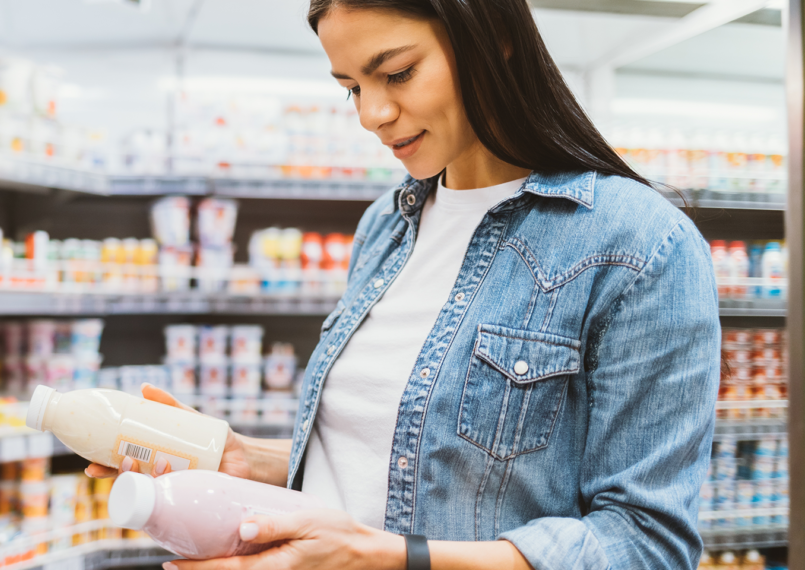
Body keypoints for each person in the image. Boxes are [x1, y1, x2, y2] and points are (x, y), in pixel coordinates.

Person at [88, 0, 720, 568]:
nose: (372, 114)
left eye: (396, 73)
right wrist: (248, 460)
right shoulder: (385, 226)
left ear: (493, 36)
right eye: (351, 88)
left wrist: (392, 559)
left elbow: (646, 545)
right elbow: (397, 462)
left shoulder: (640, 245)